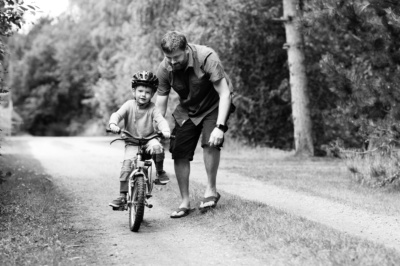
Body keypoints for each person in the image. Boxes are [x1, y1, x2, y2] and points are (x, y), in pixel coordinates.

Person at [156, 31, 234, 218]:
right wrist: (158, 127)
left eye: (176, 57)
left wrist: (220, 127)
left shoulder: (207, 57)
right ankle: (184, 201)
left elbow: (225, 94)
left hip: (213, 104)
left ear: (186, 49)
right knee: (179, 151)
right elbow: (161, 102)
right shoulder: (165, 68)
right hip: (188, 109)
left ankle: (211, 190)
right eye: (168, 57)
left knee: (210, 142)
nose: (172, 62)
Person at [108, 71, 171, 208]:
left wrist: (165, 130)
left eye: (147, 92)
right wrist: (113, 124)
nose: (143, 94)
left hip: (149, 140)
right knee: (126, 166)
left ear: (152, 94)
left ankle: (160, 172)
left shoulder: (153, 108)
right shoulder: (129, 105)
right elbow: (117, 115)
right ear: (134, 91)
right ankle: (123, 196)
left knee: (157, 148)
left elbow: (160, 120)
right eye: (140, 91)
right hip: (132, 141)